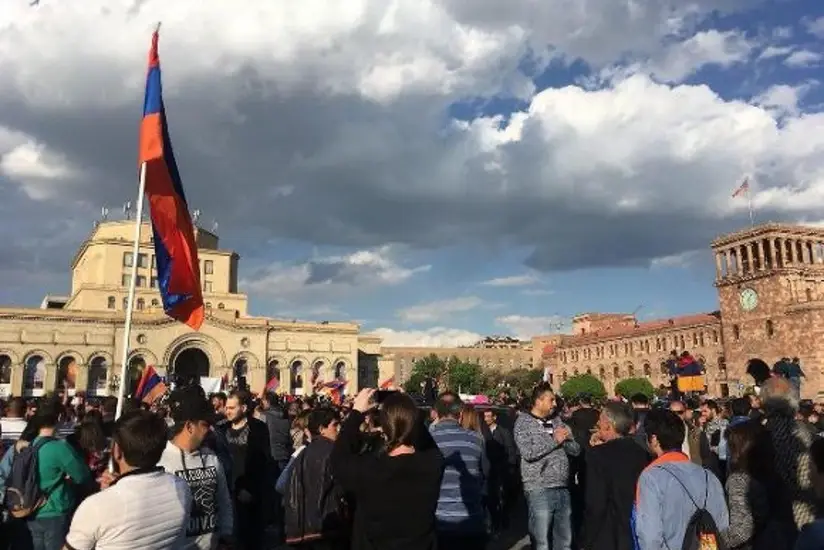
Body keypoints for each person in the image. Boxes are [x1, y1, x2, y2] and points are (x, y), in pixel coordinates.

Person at [331, 389, 444, 550]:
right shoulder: (432, 464)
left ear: (383, 427)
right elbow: (428, 443)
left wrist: (356, 413)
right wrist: (407, 406)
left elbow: (338, 459)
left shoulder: (369, 468)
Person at [63, 409, 192, 549]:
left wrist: (108, 496)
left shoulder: (95, 506)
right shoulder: (181, 488)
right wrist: (114, 490)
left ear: (117, 450)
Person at [633, 409, 729, 550]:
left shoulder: (651, 478)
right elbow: (722, 526)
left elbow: (650, 538)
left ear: (653, 439)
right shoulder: (709, 476)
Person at [157, 387, 234, 550]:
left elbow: (223, 500)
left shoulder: (212, 458)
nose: (210, 430)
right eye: (205, 424)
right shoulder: (160, 462)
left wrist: (226, 537)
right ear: (190, 426)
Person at [514, 382, 581, 550]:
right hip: (539, 488)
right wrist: (554, 441)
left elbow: (576, 450)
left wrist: (566, 440)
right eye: (551, 400)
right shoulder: (523, 422)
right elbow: (528, 453)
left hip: (562, 487)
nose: (555, 404)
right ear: (539, 401)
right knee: (541, 541)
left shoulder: (557, 421)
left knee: (564, 540)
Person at [581, 401, 651, 550]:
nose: (597, 425)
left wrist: (586, 538)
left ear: (608, 424)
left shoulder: (597, 455)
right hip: (636, 527)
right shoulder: (641, 452)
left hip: (608, 531)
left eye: (600, 421)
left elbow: (595, 503)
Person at [430, 394, 489, 549]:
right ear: (461, 413)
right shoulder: (476, 439)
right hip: (472, 523)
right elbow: (484, 473)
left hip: (439, 524)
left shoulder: (429, 440)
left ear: (436, 413)